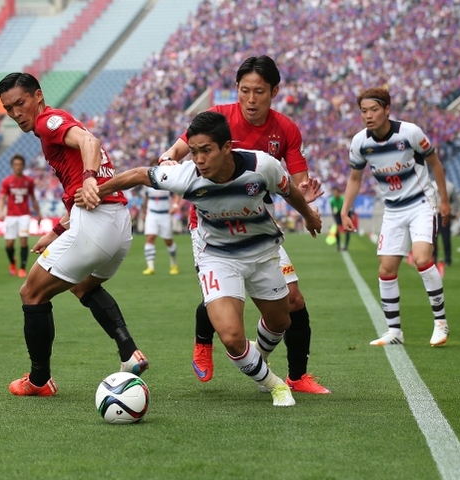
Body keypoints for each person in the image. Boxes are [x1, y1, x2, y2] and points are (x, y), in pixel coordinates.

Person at [82, 111, 322, 406]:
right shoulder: (187, 175)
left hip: (263, 253)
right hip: (217, 257)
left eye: (206, 150)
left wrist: (309, 216)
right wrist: (97, 190)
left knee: (280, 321)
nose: (199, 159)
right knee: (231, 336)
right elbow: (139, 175)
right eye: (194, 152)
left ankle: (256, 358)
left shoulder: (263, 166)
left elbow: (289, 191)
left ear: (227, 147)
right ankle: (275, 385)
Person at [160, 55, 330, 394]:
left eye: (259, 92)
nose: (251, 100)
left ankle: (293, 375)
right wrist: (168, 162)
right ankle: (204, 340)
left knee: (293, 300)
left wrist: (306, 197)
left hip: (257, 226)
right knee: (223, 293)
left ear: (274, 92)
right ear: (236, 89)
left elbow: (297, 181)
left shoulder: (286, 129)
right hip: (210, 225)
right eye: (244, 91)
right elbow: (174, 152)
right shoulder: (218, 117)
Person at [0, 72, 148, 397]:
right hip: (118, 226)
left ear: (38, 96)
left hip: (94, 223)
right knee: (82, 285)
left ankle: (39, 381)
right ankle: (129, 352)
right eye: (8, 109)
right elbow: (79, 191)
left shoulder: (47, 122)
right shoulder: (58, 125)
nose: (16, 113)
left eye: (20, 103)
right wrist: (55, 231)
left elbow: (90, 143)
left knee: (31, 293)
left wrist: (90, 178)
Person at [341, 87, 451, 347]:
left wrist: (444, 201)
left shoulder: (409, 133)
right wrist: (345, 210)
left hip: (421, 203)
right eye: (364, 111)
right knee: (386, 269)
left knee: (422, 259)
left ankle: (440, 322)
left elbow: (435, 163)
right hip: (392, 209)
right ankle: (394, 332)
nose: (368, 116)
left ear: (387, 109)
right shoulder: (360, 142)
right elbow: (355, 178)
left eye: (374, 110)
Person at [0, 153, 42, 278]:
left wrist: (39, 214)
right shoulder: (7, 181)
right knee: (9, 244)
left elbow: (33, 198)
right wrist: (0, 212)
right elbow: (2, 197)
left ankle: (22, 268)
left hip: (24, 215)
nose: (18, 167)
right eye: (16, 164)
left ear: (23, 166)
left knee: (23, 240)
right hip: (11, 215)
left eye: (20, 164)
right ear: (12, 166)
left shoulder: (29, 181)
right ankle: (12, 262)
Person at [141, 159, 180, 275]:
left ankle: (173, 262)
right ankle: (150, 266)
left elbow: (176, 193)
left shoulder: (166, 181)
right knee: (150, 237)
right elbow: (146, 198)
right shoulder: (148, 184)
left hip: (165, 214)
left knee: (168, 241)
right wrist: (144, 212)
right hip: (152, 214)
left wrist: (175, 205)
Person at [431, 167, 459, 271]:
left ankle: (448, 259)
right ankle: (433, 258)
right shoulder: (431, 185)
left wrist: (453, 211)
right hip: (434, 214)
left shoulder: (450, 186)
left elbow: (455, 201)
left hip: (444, 214)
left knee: (446, 238)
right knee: (433, 238)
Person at [329, 186, 353, 252]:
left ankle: (346, 246)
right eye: (333, 192)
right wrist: (334, 218)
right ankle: (338, 246)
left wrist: (349, 215)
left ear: (339, 192)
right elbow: (332, 210)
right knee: (337, 230)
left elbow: (349, 206)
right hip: (338, 214)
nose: (334, 194)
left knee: (347, 230)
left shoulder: (343, 199)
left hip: (346, 213)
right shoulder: (332, 201)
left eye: (336, 192)